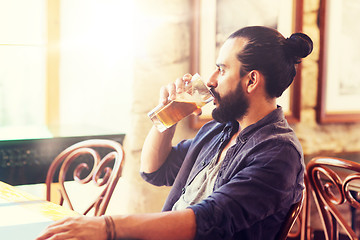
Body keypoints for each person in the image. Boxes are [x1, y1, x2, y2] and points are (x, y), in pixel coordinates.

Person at [35, 26, 313, 240]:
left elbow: (209, 219)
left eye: (221, 69)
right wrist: (166, 117)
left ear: (251, 80)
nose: (211, 80)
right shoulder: (218, 131)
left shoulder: (279, 152)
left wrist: (108, 226)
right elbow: (154, 170)